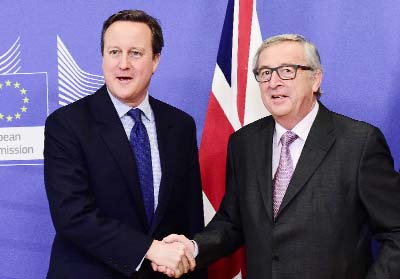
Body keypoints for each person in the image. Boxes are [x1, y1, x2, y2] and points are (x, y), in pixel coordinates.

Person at [159, 34, 400, 278]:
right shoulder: (244, 143)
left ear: (316, 79)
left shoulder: (359, 142)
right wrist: (193, 247)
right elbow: (233, 223)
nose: (273, 82)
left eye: (287, 71)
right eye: (264, 73)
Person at [44, 10, 206, 279]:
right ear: (103, 58)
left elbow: (190, 218)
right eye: (114, 52)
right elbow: (71, 215)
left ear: (155, 60)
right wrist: (149, 249)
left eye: (135, 53)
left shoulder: (180, 125)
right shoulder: (67, 124)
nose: (123, 64)